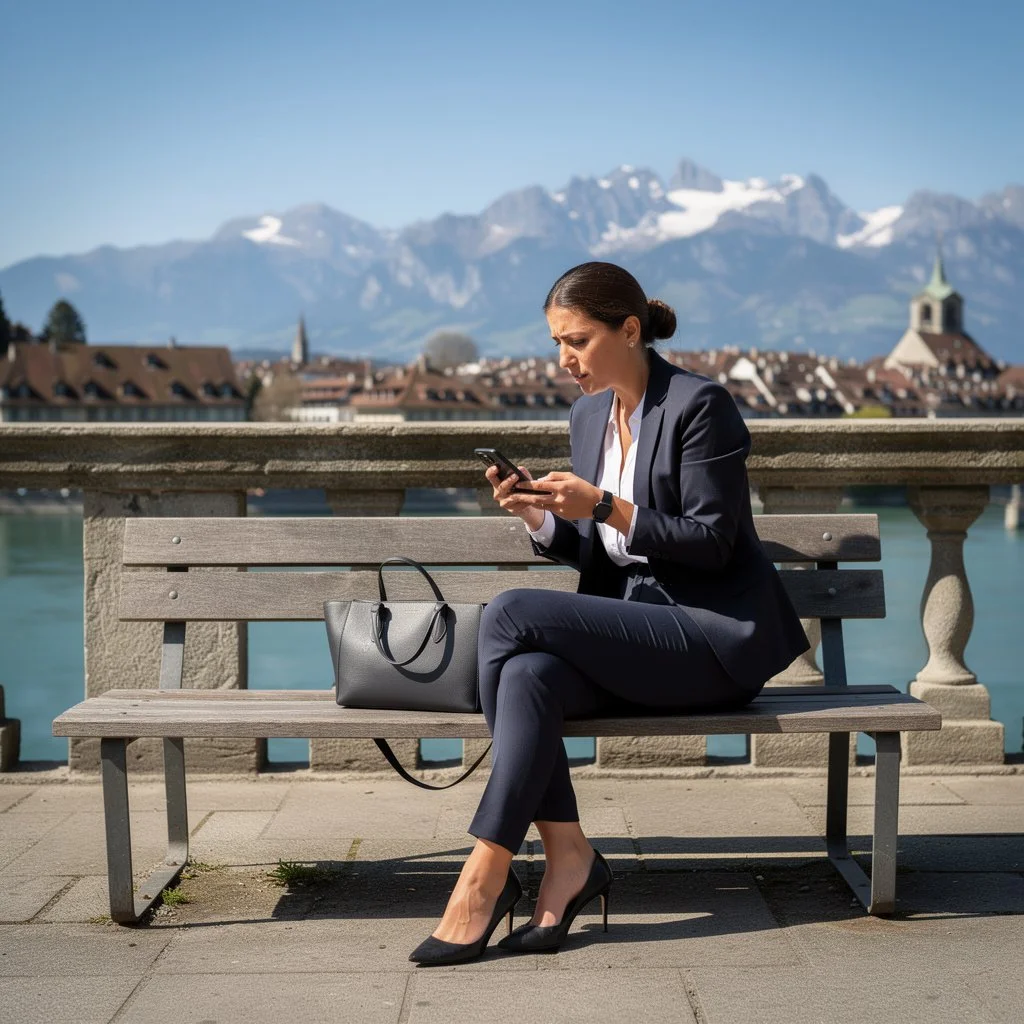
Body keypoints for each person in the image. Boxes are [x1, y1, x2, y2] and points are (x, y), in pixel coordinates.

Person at [409, 261, 809, 965]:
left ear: (630, 330)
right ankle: (569, 858)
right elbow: (606, 552)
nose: (566, 360)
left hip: (706, 639)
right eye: (557, 343)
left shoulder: (699, 405)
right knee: (529, 673)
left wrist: (603, 504)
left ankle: (485, 872)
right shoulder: (589, 413)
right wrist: (542, 520)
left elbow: (713, 544)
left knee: (506, 616)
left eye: (579, 341)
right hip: (633, 630)